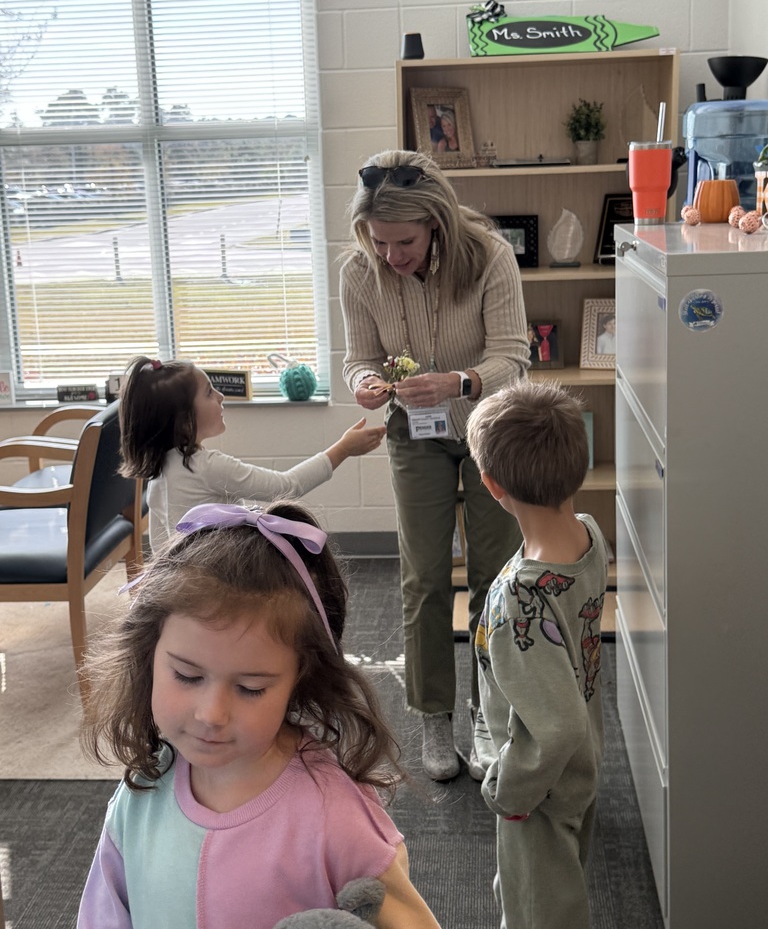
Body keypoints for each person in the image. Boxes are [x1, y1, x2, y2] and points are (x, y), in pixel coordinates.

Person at [77, 500, 441, 929]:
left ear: (300, 680)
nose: (212, 714)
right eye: (187, 676)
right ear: (148, 656)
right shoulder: (142, 791)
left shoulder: (335, 815)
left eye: (250, 688)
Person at [340, 149, 529, 782]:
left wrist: (459, 381)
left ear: (436, 223)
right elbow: (359, 357)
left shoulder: (490, 257)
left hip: (489, 428)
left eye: (405, 242)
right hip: (414, 434)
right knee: (423, 579)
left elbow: (514, 356)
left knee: (493, 576)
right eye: (379, 241)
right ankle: (433, 715)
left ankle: (489, 713)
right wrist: (365, 382)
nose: (391, 255)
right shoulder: (358, 272)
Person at [465, 380, 609, 929]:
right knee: (548, 891)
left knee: (537, 912)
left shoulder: (520, 598)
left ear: (491, 484)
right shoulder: (588, 535)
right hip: (580, 766)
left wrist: (509, 791)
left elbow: (557, 726)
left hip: (539, 789)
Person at [118, 356, 385, 551]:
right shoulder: (206, 467)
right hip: (219, 578)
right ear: (184, 421)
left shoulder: (159, 472)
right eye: (209, 393)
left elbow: (161, 549)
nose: (221, 396)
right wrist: (343, 449)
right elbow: (286, 486)